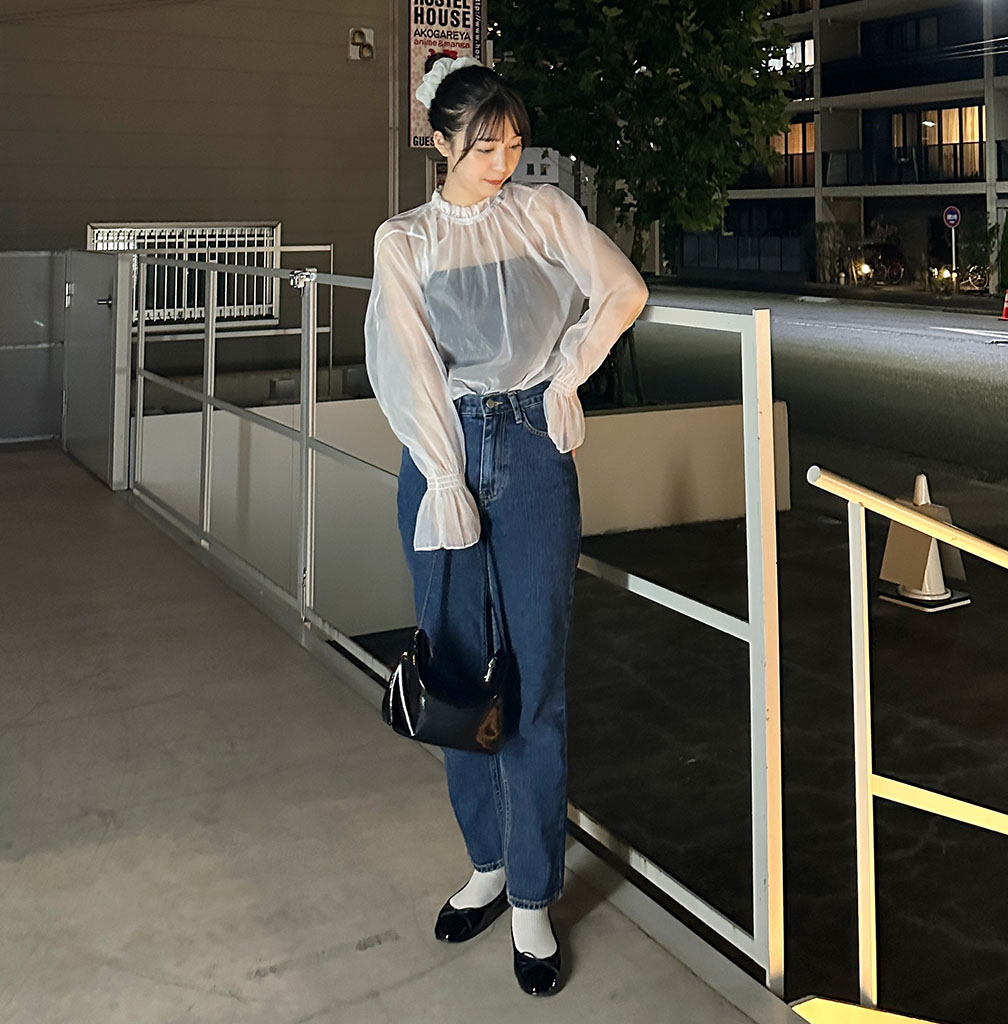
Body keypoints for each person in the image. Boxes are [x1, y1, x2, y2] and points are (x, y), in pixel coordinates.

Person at [364, 55, 648, 997]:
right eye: (484, 146)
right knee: (455, 672)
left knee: (536, 674)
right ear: (439, 141)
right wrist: (444, 475)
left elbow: (621, 288)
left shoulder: (543, 213)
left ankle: (531, 894)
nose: (503, 161)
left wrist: (566, 374)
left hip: (530, 446)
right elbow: (406, 363)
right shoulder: (405, 240)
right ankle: (485, 863)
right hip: (441, 451)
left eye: (514, 143)